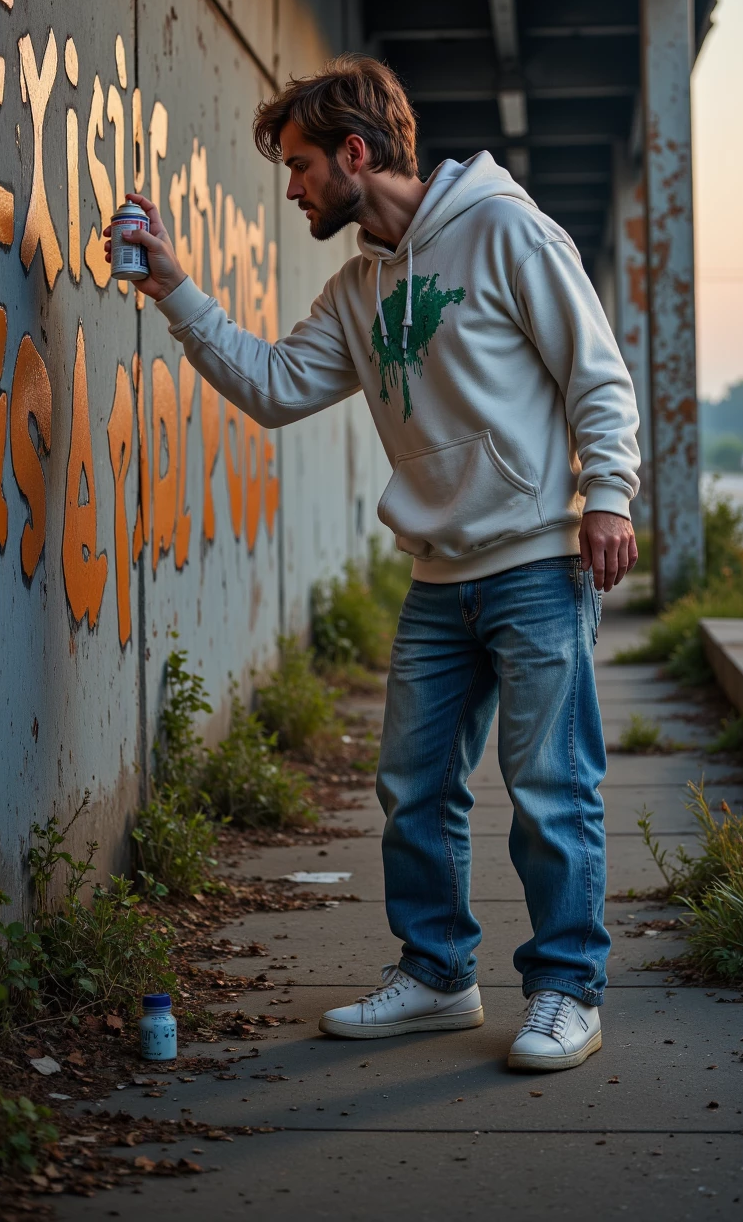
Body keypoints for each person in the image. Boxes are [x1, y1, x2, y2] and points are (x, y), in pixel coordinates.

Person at [107, 55, 640, 1074]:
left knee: (549, 786)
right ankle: (439, 978)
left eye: (303, 165)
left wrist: (606, 494)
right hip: (439, 578)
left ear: (358, 152)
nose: (295, 187)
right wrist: (172, 286)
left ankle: (567, 990)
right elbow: (271, 386)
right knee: (413, 786)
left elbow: (595, 370)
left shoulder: (506, 231)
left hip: (534, 563)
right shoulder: (357, 290)